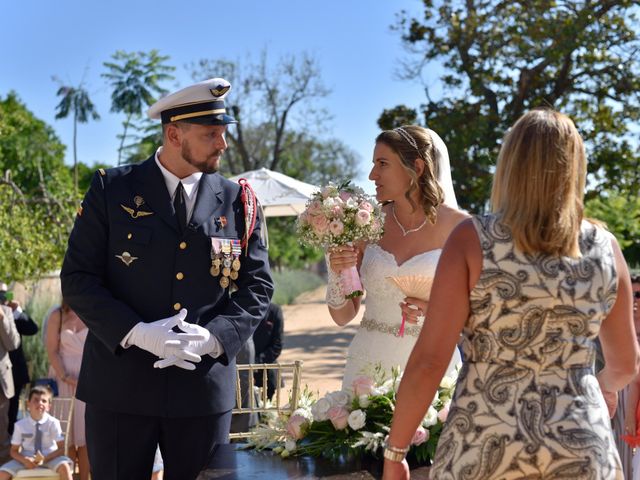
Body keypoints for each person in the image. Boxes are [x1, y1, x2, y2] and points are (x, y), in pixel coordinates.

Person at [382, 109, 640, 480]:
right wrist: (594, 386)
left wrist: (396, 451)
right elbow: (625, 364)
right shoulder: (604, 247)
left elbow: (429, 360)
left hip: (483, 441)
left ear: (509, 165)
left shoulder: (472, 239)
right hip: (580, 444)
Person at [60, 77, 273, 479]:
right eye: (212, 134)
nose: (223, 144)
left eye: (223, 133)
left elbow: (258, 286)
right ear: (174, 133)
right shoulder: (113, 189)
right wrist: (137, 332)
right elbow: (77, 278)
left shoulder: (237, 200)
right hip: (119, 388)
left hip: (202, 392)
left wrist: (215, 338)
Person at [326, 125, 467, 391]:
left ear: (417, 167)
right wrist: (336, 272)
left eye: (382, 163)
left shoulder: (460, 229)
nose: (371, 175)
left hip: (431, 366)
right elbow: (343, 316)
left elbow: (482, 315)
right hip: (366, 368)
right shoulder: (365, 225)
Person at [44, 300, 89, 480]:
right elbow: (52, 350)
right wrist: (65, 377)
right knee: (66, 435)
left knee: (85, 435)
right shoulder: (58, 315)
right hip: (62, 379)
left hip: (87, 381)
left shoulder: (92, 312)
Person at [0, 385, 73, 480]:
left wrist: (46, 458)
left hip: (50, 457)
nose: (40, 403)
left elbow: (62, 448)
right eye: (36, 400)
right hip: (26, 458)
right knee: (2, 473)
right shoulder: (20, 425)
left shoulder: (53, 423)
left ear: (49, 406)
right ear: (28, 404)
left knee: (65, 468)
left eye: (44, 401)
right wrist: (25, 460)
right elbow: (13, 451)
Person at [0, 284, 38, 435]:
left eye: (4, 293)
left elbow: (31, 329)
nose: (2, 297)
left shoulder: (10, 313)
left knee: (8, 418)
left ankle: (7, 449)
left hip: (10, 374)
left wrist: (15, 312)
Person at [624, 273, 640, 479]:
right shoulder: (615, 328)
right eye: (632, 294)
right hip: (617, 396)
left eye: (639, 294)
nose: (635, 299)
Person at [0, 304, 20, 464]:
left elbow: (13, 344)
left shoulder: (5, 312)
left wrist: (2, 319)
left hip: (1, 382)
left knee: (2, 431)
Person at [253, 302, 284, 400]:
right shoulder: (242, 308)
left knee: (266, 412)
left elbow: (277, 346)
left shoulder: (274, 311)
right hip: (241, 374)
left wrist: (256, 362)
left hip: (266, 374)